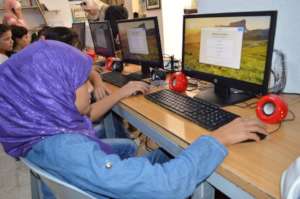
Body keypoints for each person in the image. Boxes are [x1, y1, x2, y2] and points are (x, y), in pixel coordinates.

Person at [0, 40, 268, 199]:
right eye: (82, 82)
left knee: (173, 147)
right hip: (129, 188)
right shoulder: (68, 151)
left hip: (105, 177)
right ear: (50, 92)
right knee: (194, 154)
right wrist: (216, 139)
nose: (91, 89)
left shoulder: (35, 125)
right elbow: (165, 187)